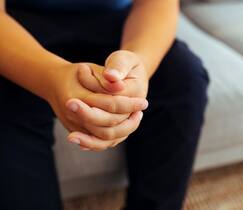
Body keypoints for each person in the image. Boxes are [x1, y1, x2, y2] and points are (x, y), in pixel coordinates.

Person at [0, 0, 209, 209]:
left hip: (119, 23)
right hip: (16, 27)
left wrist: (138, 68)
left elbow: (156, 5)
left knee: (183, 78)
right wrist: (51, 79)